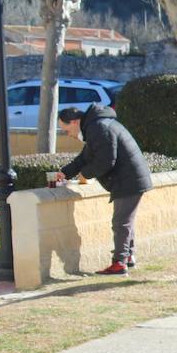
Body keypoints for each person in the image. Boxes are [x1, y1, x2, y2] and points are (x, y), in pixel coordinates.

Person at [54, 104, 153, 276]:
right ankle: (127, 256)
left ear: (75, 122)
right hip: (130, 178)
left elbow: (106, 161)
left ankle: (119, 263)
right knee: (125, 221)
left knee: (121, 222)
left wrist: (85, 174)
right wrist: (65, 173)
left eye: (66, 130)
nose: (67, 134)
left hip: (129, 180)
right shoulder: (96, 125)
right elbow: (85, 157)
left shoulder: (98, 127)